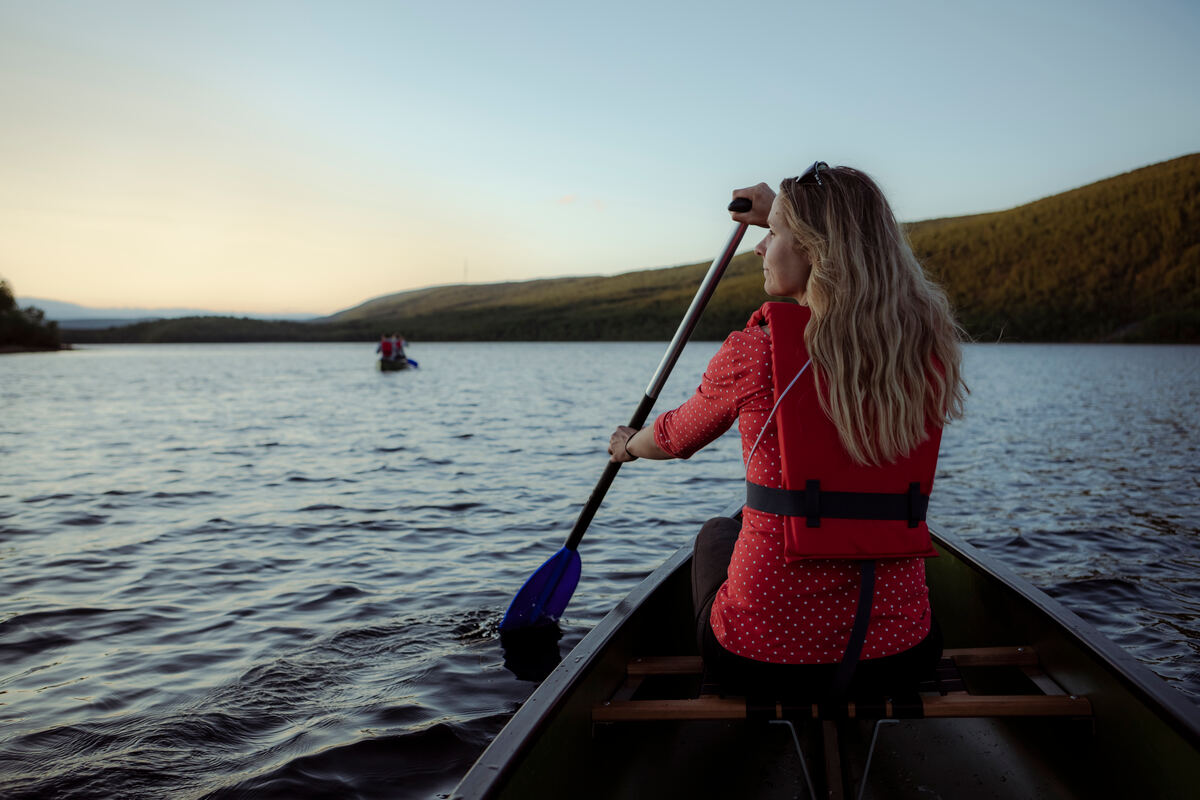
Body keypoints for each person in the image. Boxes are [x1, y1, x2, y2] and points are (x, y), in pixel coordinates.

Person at [607, 163, 967, 700]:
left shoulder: (757, 350)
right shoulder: (923, 350)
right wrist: (778, 209)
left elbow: (674, 437)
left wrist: (628, 445)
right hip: (900, 654)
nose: (759, 247)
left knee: (714, 534)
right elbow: (845, 236)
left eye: (773, 233)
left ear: (815, 249)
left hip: (760, 655)